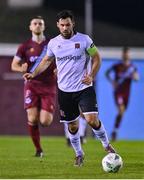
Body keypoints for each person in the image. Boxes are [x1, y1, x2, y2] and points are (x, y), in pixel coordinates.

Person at [23, 10, 116, 167]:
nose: (65, 28)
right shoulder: (53, 43)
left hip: (84, 87)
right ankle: (79, 154)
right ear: (58, 25)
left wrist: (91, 75)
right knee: (73, 126)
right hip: (65, 91)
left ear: (73, 24)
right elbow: (46, 61)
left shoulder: (84, 40)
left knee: (92, 120)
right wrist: (33, 74)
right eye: (62, 25)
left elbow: (97, 57)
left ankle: (107, 145)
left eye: (68, 24)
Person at [11, 16, 56, 157]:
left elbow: (61, 58)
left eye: (40, 24)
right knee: (32, 118)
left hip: (49, 86)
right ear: (30, 27)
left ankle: (39, 144)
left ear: (44, 27)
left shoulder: (52, 44)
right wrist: (22, 69)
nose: (37, 25)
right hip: (32, 85)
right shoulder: (24, 46)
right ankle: (38, 149)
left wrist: (58, 69)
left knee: (45, 121)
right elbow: (14, 65)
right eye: (35, 23)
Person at [105, 47, 139, 141]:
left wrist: (135, 77)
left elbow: (137, 78)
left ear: (129, 55)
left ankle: (115, 130)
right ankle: (115, 132)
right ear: (122, 55)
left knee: (122, 113)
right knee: (120, 110)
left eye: (127, 53)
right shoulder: (117, 66)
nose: (126, 55)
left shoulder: (132, 67)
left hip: (127, 93)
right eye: (124, 53)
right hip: (118, 92)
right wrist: (112, 82)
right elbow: (106, 73)